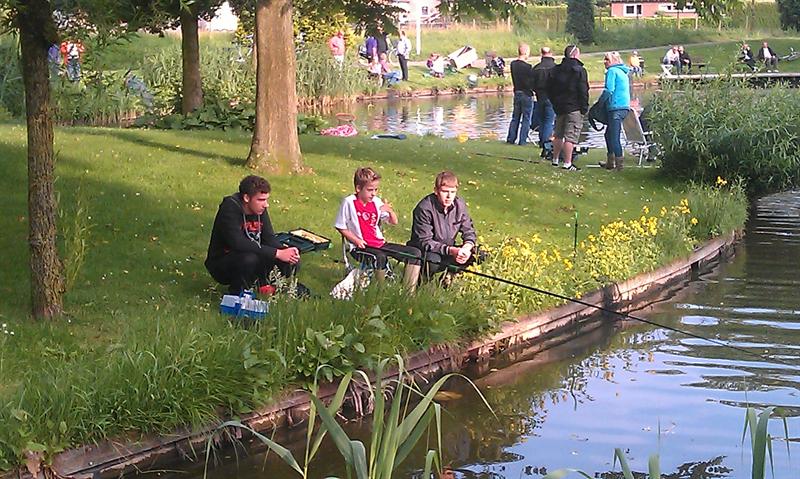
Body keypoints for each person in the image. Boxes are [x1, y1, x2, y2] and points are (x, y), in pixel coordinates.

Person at [205, 175, 302, 295]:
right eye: (261, 200)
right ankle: (238, 293)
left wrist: (286, 252)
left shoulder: (259, 209)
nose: (266, 204)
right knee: (249, 259)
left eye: (266, 200)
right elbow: (238, 243)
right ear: (246, 198)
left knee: (291, 261)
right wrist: (277, 253)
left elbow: (269, 238)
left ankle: (264, 285)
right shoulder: (230, 208)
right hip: (223, 262)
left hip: (254, 255)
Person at [335, 167, 422, 290]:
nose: (374, 193)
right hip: (361, 247)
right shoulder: (349, 202)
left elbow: (394, 222)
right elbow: (340, 226)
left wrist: (390, 211)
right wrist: (356, 240)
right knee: (380, 257)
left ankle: (408, 292)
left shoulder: (376, 202)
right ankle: (380, 290)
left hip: (380, 244)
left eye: (376, 189)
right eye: (370, 190)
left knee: (415, 253)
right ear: (358, 188)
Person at [409, 171, 478, 284]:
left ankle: (449, 276)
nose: (449, 196)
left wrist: (466, 248)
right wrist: (450, 250)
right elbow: (425, 241)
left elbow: (469, 231)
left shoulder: (460, 205)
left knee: (480, 254)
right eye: (445, 191)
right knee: (433, 260)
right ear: (436, 191)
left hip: (450, 250)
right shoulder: (424, 208)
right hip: (427, 251)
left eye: (453, 192)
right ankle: (422, 282)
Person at [547, 44, 589, 171]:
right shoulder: (579, 70)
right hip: (574, 107)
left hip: (559, 107)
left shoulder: (555, 70)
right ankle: (567, 163)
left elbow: (549, 89)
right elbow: (583, 90)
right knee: (571, 136)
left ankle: (555, 159)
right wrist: (584, 108)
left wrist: (555, 103)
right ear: (575, 55)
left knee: (558, 134)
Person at [598, 52, 630, 171]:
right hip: (624, 107)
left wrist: (599, 103)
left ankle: (619, 165)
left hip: (616, 107)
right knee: (608, 134)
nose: (605, 62)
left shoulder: (612, 71)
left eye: (607, 59)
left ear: (614, 60)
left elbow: (609, 90)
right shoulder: (622, 72)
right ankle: (610, 161)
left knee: (614, 136)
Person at [505, 43, 535, 146]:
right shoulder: (528, 67)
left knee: (515, 117)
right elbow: (530, 82)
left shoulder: (513, 64)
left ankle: (511, 138)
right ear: (525, 52)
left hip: (517, 92)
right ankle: (522, 140)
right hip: (526, 93)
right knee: (526, 118)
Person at [531, 46, 557, 155]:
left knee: (541, 121)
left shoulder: (536, 68)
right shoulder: (555, 68)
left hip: (540, 97)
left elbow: (532, 85)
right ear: (551, 53)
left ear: (541, 54)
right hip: (551, 98)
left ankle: (542, 141)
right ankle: (546, 143)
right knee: (549, 122)